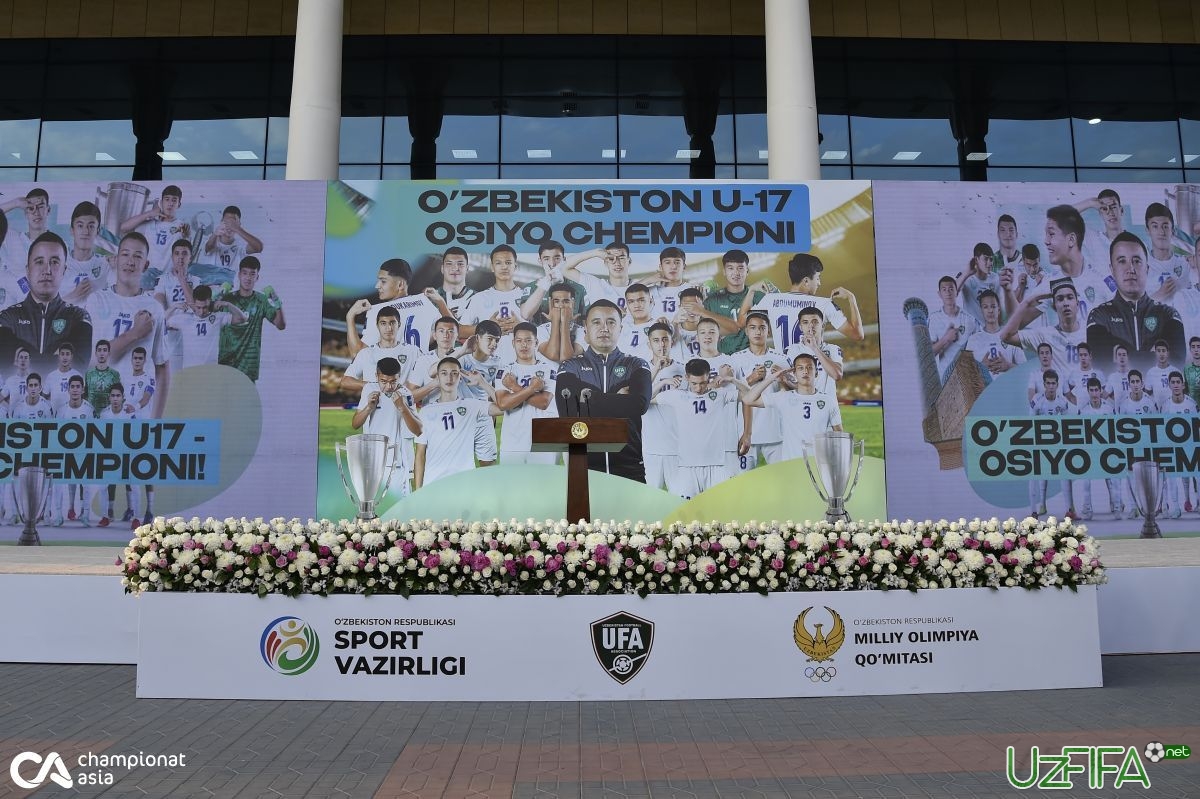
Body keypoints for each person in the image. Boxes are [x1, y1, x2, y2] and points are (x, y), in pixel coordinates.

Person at [556, 300, 653, 481]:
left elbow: (639, 405)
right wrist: (617, 399)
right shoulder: (570, 366)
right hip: (585, 469)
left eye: (611, 322)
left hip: (630, 467)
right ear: (585, 329)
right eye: (596, 322)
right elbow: (567, 408)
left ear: (620, 328)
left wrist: (587, 399)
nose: (604, 328)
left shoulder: (636, 364)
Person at [85, 231, 169, 417]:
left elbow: (162, 368)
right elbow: (91, 361)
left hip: (137, 414)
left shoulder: (154, 308)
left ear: (146, 265)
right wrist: (135, 333)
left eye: (137, 256)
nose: (130, 261)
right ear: (115, 260)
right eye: (125, 254)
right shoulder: (96, 301)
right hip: (100, 411)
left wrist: (156, 421)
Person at [1086, 231, 1185, 371]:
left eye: (1137, 261)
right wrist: (1153, 358)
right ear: (1112, 270)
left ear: (1147, 269)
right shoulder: (1099, 316)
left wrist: (1123, 357)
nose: (1130, 269)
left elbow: (1177, 365)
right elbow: (1102, 365)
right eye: (1122, 261)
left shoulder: (1168, 314)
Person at [0, 231, 93, 373]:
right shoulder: (6, 318)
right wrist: (57, 359)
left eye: (55, 262)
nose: (47, 270)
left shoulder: (79, 317)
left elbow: (77, 369)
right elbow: (4, 367)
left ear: (64, 270)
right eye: (39, 262)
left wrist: (22, 356)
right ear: (28, 270)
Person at [650, 358, 741, 499]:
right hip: (687, 467)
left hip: (717, 465)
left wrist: (733, 380)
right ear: (686, 378)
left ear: (709, 376)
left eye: (703, 383)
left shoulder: (719, 394)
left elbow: (750, 397)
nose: (698, 389)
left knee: (722, 514)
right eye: (694, 384)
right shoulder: (677, 396)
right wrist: (663, 382)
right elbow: (645, 399)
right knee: (685, 514)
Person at [413, 357, 503, 488]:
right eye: (444, 373)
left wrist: (482, 383)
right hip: (434, 486)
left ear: (460, 377)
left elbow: (504, 407)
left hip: (464, 487)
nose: (449, 378)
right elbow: (420, 455)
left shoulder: (471, 406)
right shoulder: (425, 412)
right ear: (437, 377)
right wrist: (418, 493)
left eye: (454, 373)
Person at [743, 253, 864, 350]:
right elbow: (857, 334)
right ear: (806, 281)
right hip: (810, 375)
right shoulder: (824, 304)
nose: (819, 283)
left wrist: (751, 291)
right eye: (817, 278)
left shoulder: (770, 299)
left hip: (784, 375)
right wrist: (851, 298)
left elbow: (742, 320)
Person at [741, 352, 842, 463]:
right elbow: (748, 400)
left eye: (810, 368)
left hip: (819, 465)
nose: (805, 371)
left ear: (816, 373)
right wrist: (772, 377)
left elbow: (839, 435)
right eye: (800, 368)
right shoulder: (784, 398)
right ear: (794, 373)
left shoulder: (828, 401)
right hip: (791, 466)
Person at [351, 356, 423, 498]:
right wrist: (368, 408)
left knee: (397, 511)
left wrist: (403, 408)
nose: (388, 386)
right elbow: (355, 424)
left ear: (399, 377)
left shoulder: (405, 394)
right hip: (372, 463)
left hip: (396, 465)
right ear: (376, 376)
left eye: (393, 381)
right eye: (383, 381)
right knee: (373, 510)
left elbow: (418, 430)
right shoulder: (369, 389)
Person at [346, 258, 448, 355]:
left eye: (383, 281)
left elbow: (357, 354)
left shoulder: (378, 312)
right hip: (417, 371)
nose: (377, 286)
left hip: (389, 372)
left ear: (400, 285)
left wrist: (350, 316)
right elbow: (447, 330)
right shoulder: (425, 303)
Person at [729, 311, 785, 470]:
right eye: (753, 328)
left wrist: (783, 380)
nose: (758, 332)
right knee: (743, 483)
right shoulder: (736, 358)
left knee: (780, 480)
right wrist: (750, 379)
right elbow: (729, 394)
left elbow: (790, 393)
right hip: (745, 433)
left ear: (769, 330)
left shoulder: (780, 358)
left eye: (762, 328)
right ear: (746, 331)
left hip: (775, 432)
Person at [495, 322, 557, 465]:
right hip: (512, 442)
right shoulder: (504, 371)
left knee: (542, 486)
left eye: (528, 340)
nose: (524, 345)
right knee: (512, 486)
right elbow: (503, 404)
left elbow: (543, 403)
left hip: (541, 441)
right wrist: (531, 389)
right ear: (513, 343)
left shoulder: (549, 370)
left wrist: (514, 387)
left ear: (536, 342)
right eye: (519, 341)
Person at [1000, 277, 1084, 380]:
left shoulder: (1090, 331)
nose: (1065, 303)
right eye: (1060, 299)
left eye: (1070, 297)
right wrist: (1025, 303)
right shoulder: (1045, 336)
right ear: (1054, 306)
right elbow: (1006, 336)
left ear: (1078, 304)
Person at [217, 256, 285, 383]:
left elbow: (281, 325)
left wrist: (277, 302)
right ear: (239, 275)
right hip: (225, 363)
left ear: (257, 277)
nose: (248, 278)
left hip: (248, 366)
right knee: (225, 402)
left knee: (246, 403)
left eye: (252, 274)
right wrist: (218, 295)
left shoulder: (261, 300)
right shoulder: (227, 299)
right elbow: (206, 315)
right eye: (245, 273)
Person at [1042, 204, 1113, 322]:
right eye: (1105, 209)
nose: (1046, 241)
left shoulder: (1102, 275)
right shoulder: (1050, 281)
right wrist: (1090, 202)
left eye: (1051, 234)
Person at [460, 244, 529, 363]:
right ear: (492, 267)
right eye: (498, 263)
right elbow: (460, 331)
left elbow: (544, 334)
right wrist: (487, 328)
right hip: (487, 368)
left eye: (508, 262)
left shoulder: (528, 297)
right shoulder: (480, 298)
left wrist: (521, 327)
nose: (504, 267)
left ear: (515, 266)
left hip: (521, 367)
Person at [641, 321, 685, 490]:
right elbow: (640, 400)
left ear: (672, 341)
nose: (662, 345)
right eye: (656, 340)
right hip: (651, 447)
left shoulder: (682, 370)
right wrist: (662, 380)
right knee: (650, 500)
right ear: (649, 343)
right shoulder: (642, 369)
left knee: (680, 499)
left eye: (665, 339)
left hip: (677, 446)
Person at [339, 306, 418, 396]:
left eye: (392, 323)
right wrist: (375, 386)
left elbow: (429, 373)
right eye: (383, 323)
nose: (388, 328)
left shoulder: (413, 351)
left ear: (399, 324)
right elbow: (345, 382)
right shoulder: (366, 353)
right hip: (373, 408)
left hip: (401, 407)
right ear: (377, 325)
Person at [165, 285, 247, 371]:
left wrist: (228, 304)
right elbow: (162, 323)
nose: (201, 312)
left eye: (205, 308)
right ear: (193, 303)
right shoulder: (185, 319)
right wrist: (173, 307)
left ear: (210, 302)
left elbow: (242, 319)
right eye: (198, 307)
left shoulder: (218, 318)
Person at [1029, 369, 1073, 518]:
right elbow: (1030, 422)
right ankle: (1039, 507)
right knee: (1040, 474)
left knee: (1065, 474)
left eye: (1053, 383)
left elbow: (1067, 423)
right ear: (1044, 384)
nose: (1051, 386)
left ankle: (1069, 510)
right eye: (1048, 383)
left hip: (1057, 443)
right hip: (1041, 443)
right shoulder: (1037, 400)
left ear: (1057, 384)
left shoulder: (1062, 401)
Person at [1073, 377, 1119, 521]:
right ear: (1088, 392)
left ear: (1100, 391)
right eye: (1091, 390)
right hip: (1091, 451)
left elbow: (1115, 429)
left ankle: (1116, 506)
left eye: (1096, 390)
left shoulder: (1109, 408)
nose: (1094, 394)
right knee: (1086, 482)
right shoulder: (1084, 411)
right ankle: (1087, 509)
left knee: (1112, 480)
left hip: (1106, 450)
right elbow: (1080, 433)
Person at [704, 248, 765, 355]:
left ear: (747, 271)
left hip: (752, 357)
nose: (736, 273)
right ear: (724, 271)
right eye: (730, 268)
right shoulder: (712, 300)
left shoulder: (759, 297)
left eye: (740, 268)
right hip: (722, 358)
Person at [52, 374, 94, 526]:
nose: (75, 390)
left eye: (78, 387)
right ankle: (58, 515)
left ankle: (86, 515)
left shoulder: (89, 410)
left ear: (83, 389)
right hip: (65, 453)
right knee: (58, 483)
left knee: (86, 483)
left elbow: (95, 433)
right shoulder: (62, 410)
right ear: (68, 389)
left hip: (83, 454)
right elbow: (56, 433)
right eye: (72, 387)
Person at [118, 185, 190, 272]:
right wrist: (149, 214)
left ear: (179, 204)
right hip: (148, 275)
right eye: (167, 199)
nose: (170, 203)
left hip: (168, 277)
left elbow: (187, 252)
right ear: (161, 202)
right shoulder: (150, 225)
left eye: (174, 200)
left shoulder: (182, 226)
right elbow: (123, 228)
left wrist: (186, 236)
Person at [153, 238, 198, 375]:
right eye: (177, 253)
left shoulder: (196, 280)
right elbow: (159, 306)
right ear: (172, 257)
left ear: (190, 257)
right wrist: (171, 311)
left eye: (184, 253)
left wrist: (182, 280)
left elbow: (195, 307)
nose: (180, 257)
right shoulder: (164, 279)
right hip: (170, 333)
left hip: (189, 335)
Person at [1159, 371, 1197, 518]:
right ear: (1169, 385)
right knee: (1172, 477)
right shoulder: (1166, 406)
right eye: (1172, 382)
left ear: (1183, 384)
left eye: (1178, 382)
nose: (1175, 385)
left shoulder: (1191, 404)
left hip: (1189, 447)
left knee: (1194, 475)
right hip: (1172, 448)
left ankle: (1194, 501)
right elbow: (1161, 428)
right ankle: (1175, 507)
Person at [964, 289, 1025, 378]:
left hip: (1009, 389)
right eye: (985, 307)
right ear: (981, 310)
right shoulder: (973, 340)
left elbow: (1025, 370)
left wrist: (1008, 366)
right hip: (985, 391)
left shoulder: (1011, 335)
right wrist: (981, 368)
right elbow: (965, 376)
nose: (990, 311)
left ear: (999, 309)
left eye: (993, 306)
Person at [927, 275, 979, 378]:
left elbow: (980, 348)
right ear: (939, 294)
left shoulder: (970, 319)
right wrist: (946, 339)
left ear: (957, 292)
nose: (948, 293)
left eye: (951, 289)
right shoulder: (934, 319)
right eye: (944, 290)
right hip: (945, 378)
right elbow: (929, 355)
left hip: (967, 377)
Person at [1143, 202, 1193, 304]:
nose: (1161, 232)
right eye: (1155, 226)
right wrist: (1159, 295)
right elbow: (1133, 309)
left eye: (1165, 226)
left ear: (1173, 231)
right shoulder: (1141, 266)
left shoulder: (1186, 264)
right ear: (1147, 230)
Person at [61, 201, 111, 302]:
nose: (86, 231)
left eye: (91, 226)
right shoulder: (59, 264)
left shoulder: (105, 265)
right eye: (80, 226)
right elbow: (47, 307)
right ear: (72, 230)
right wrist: (74, 296)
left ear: (98, 231)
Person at [202, 205, 263, 283]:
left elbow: (259, 247)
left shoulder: (240, 246)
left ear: (239, 224)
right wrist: (215, 234)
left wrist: (237, 229)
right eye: (227, 222)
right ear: (221, 222)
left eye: (233, 223)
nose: (229, 226)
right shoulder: (211, 240)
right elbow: (208, 247)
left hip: (232, 290)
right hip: (211, 288)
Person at [536, 282, 585, 363]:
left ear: (572, 304)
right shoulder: (540, 330)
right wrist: (555, 321)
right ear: (550, 304)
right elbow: (552, 355)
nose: (561, 305)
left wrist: (565, 322)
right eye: (556, 301)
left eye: (566, 301)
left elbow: (566, 359)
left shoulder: (582, 331)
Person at [956, 243, 1001, 324]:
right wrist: (966, 273)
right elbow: (952, 293)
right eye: (986, 259)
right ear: (976, 260)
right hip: (971, 328)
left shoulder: (995, 278)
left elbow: (998, 306)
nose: (989, 263)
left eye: (991, 259)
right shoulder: (966, 277)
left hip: (989, 328)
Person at [431, 246, 475, 320]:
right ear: (442, 269)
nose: (455, 268)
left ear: (467, 269)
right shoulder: (429, 300)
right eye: (449, 263)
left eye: (460, 264)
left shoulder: (479, 299)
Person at [44, 341, 83, 412]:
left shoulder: (78, 375)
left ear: (71, 356)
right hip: (55, 418)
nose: (65, 357)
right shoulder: (51, 376)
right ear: (59, 356)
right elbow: (44, 397)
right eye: (62, 354)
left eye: (67, 354)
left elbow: (83, 397)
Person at [85, 339, 120, 412]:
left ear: (109, 353)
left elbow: (118, 396)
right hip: (90, 414)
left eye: (104, 350)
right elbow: (85, 395)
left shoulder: (114, 374)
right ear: (96, 353)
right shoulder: (88, 373)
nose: (102, 353)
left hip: (108, 414)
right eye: (99, 350)